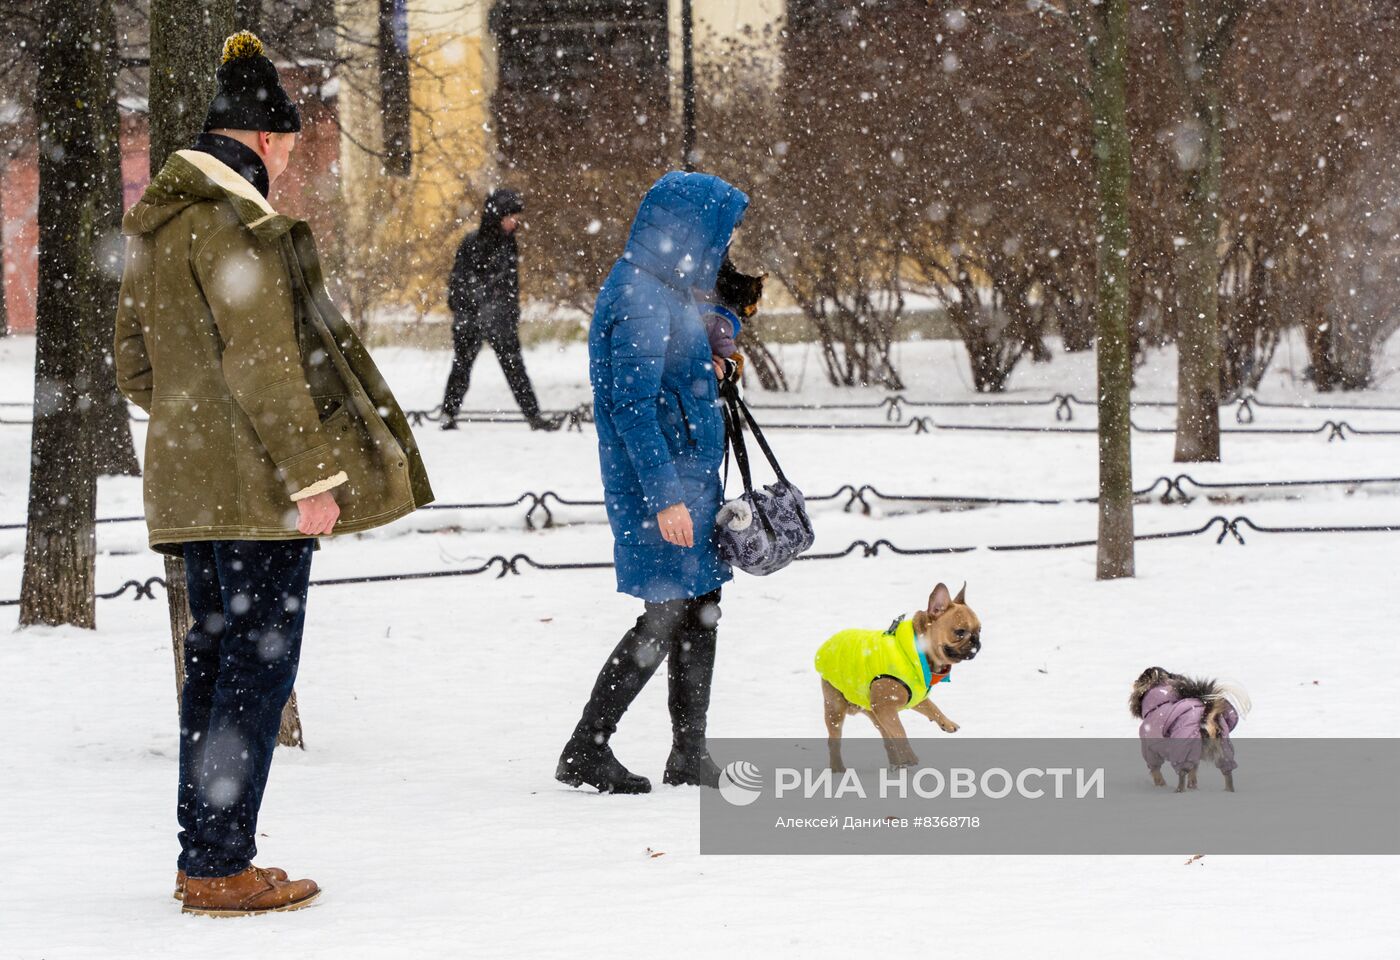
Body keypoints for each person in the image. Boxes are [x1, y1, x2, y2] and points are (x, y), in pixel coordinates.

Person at [113, 31, 434, 916]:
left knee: (214, 669)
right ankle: (220, 865)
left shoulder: (154, 227)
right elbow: (265, 367)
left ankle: (202, 854)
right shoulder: (236, 226)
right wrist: (309, 476)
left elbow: (134, 372)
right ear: (261, 138)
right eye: (288, 143)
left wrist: (198, 430)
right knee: (255, 674)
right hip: (259, 498)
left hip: (188, 492)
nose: (289, 160)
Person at [556, 171, 749, 794]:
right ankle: (587, 747)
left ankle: (689, 753)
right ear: (688, 232)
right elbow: (629, 405)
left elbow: (666, 381)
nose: (724, 248)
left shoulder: (662, 289)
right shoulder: (638, 294)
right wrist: (665, 497)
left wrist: (709, 362)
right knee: (664, 616)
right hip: (660, 491)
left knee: (701, 612)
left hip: (689, 482)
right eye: (720, 234)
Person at [441, 188, 558, 431]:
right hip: (472, 320)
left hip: (500, 321)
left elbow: (510, 286)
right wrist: (470, 311)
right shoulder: (472, 243)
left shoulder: (508, 245)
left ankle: (534, 417)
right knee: (461, 368)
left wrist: (509, 311)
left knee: (516, 370)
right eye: (511, 217)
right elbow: (458, 283)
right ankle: (448, 415)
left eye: (516, 218)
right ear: (498, 217)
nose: (514, 223)